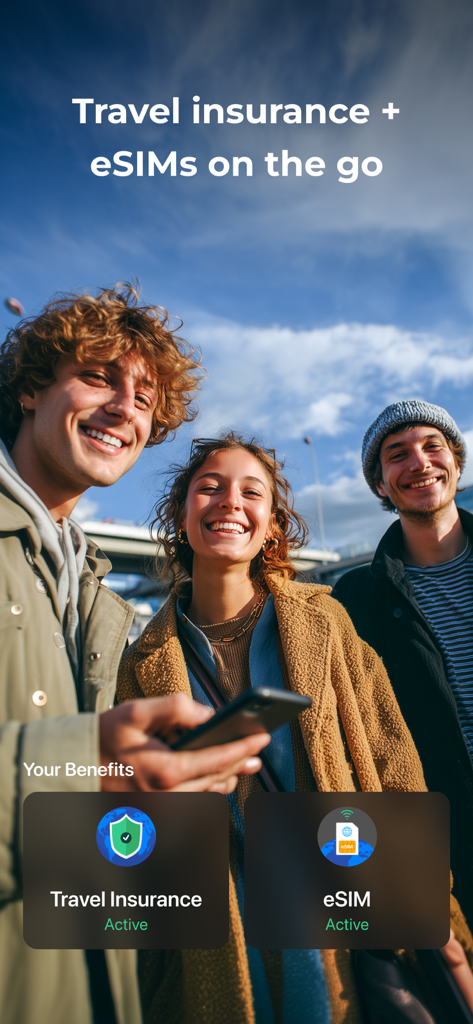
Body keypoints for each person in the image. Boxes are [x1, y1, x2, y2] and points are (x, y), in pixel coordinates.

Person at [118, 432, 472, 1024]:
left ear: (271, 525)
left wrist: (440, 918)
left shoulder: (326, 620)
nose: (231, 502)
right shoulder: (142, 660)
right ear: (181, 517)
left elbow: (393, 762)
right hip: (219, 934)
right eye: (210, 488)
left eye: (251, 492)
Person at [0, 288, 269, 1024]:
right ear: (29, 389)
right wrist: (83, 771)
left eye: (145, 396)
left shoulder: (96, 599)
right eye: (96, 377)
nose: (125, 406)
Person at [332, 400, 473, 931]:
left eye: (432, 446)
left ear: (456, 463)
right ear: (380, 486)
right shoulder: (356, 598)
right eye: (397, 455)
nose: (418, 462)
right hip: (449, 840)